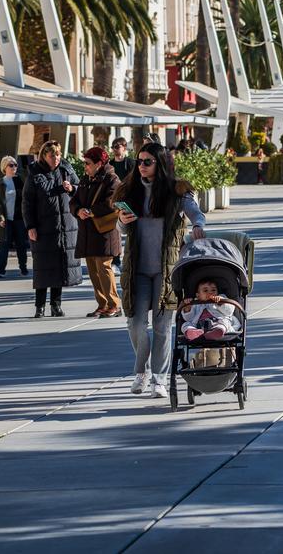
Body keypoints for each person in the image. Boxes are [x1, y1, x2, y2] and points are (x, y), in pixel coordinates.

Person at [114, 142, 206, 398]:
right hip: (137, 270)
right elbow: (120, 228)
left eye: (147, 162)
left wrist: (198, 224)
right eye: (139, 161)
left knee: (162, 327)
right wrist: (121, 221)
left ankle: (159, 379)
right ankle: (141, 371)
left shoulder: (177, 190)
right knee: (135, 323)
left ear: (160, 163)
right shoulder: (128, 190)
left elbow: (196, 213)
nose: (141, 166)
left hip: (167, 269)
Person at [23, 141, 80, 318]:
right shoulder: (35, 173)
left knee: (60, 266)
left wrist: (72, 189)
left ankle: (56, 305)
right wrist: (30, 226)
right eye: (51, 155)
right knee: (43, 268)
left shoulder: (66, 169)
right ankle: (39, 306)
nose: (55, 158)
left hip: (65, 226)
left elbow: (81, 191)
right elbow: (27, 202)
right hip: (43, 227)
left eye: (57, 154)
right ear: (44, 156)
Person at [71, 146, 122, 318]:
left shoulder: (112, 179)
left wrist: (91, 211)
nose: (85, 166)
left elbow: (112, 202)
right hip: (87, 231)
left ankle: (114, 304)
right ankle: (102, 304)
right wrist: (78, 210)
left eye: (88, 163)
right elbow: (74, 200)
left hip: (104, 232)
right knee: (93, 270)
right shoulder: (86, 179)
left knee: (104, 268)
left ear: (99, 163)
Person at [0, 156, 28, 279]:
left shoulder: (21, 181)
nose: (14, 168)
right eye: (11, 165)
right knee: (4, 246)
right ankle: (1, 270)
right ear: (4, 168)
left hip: (19, 219)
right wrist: (0, 217)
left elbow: (26, 199)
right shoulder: (0, 183)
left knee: (21, 245)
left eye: (15, 165)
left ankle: (23, 267)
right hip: (6, 220)